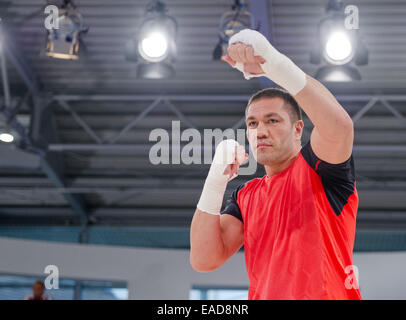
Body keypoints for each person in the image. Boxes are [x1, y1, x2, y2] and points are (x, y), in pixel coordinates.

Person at [190, 29, 361, 300]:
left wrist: (274, 63)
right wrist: (215, 182)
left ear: (297, 129)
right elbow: (203, 259)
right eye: (252, 123)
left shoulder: (319, 170)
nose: (259, 131)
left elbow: (340, 127)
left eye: (272, 120)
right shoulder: (246, 196)